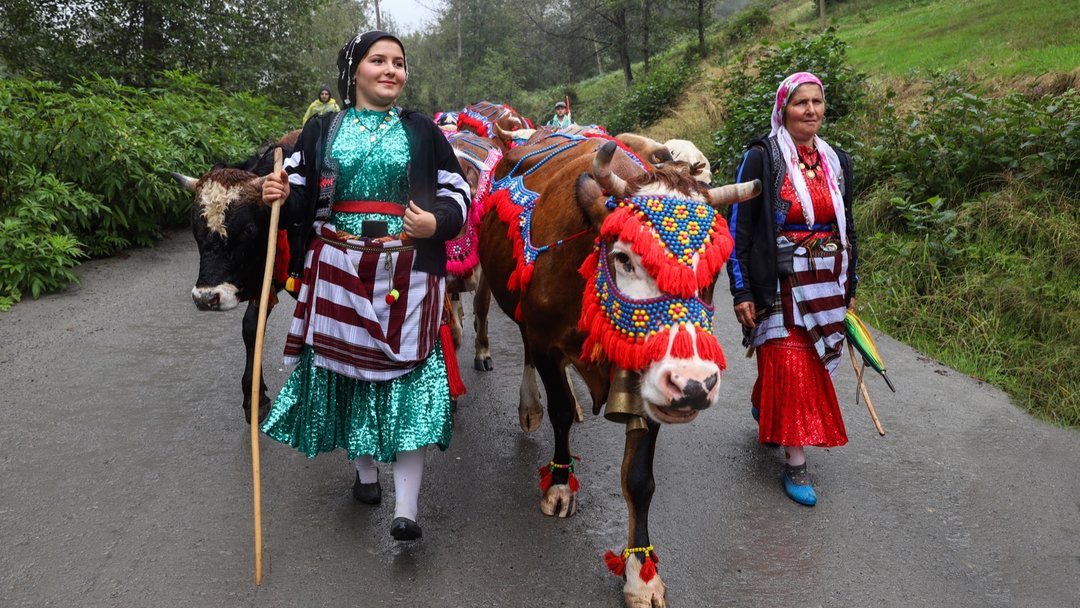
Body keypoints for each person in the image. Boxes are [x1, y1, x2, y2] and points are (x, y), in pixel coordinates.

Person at [260, 31, 470, 540]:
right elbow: (300, 193)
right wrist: (278, 194)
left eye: (399, 62)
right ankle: (365, 476)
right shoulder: (321, 130)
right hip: (337, 266)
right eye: (379, 60)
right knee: (348, 374)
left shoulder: (423, 131)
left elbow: (457, 190)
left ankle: (407, 510)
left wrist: (436, 223)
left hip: (408, 271)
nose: (392, 70)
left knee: (409, 380)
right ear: (354, 71)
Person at [725, 71, 858, 507]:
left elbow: (847, 226)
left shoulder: (837, 160)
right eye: (802, 102)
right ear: (783, 109)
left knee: (810, 360)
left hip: (827, 280)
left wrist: (850, 283)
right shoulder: (763, 157)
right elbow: (740, 227)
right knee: (789, 361)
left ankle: (767, 403)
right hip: (778, 278)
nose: (811, 111)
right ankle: (796, 462)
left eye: (817, 102)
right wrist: (742, 290)